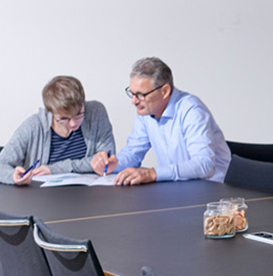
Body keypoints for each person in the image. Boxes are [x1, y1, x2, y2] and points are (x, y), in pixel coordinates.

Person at [91, 57, 231, 185]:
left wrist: (152, 173)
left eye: (141, 94)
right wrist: (112, 164)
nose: (134, 101)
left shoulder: (192, 111)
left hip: (215, 192)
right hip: (179, 189)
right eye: (132, 93)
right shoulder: (146, 111)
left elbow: (204, 165)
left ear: (164, 91)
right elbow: (133, 153)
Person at [0, 76, 116, 185]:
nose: (73, 123)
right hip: (44, 201)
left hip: (90, 198)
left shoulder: (95, 113)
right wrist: (14, 176)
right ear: (51, 112)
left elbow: (105, 160)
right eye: (64, 118)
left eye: (78, 114)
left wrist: (53, 169)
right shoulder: (33, 127)